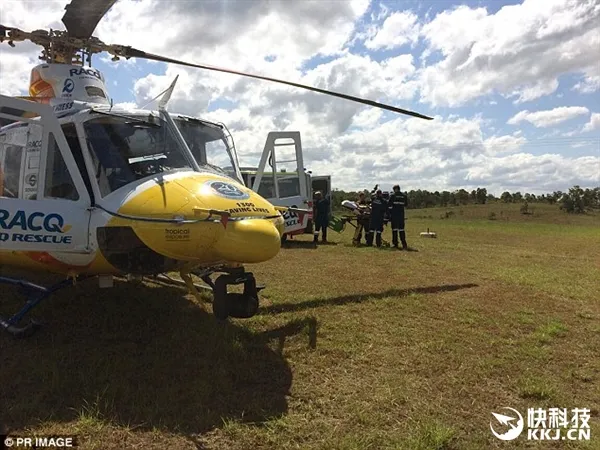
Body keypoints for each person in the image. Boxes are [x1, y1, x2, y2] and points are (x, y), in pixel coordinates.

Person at [388, 184, 409, 249]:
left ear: (395, 189)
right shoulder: (404, 196)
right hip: (401, 215)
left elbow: (389, 205)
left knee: (394, 230)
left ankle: (395, 244)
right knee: (401, 230)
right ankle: (404, 244)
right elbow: (406, 204)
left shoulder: (393, 195)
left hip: (394, 215)